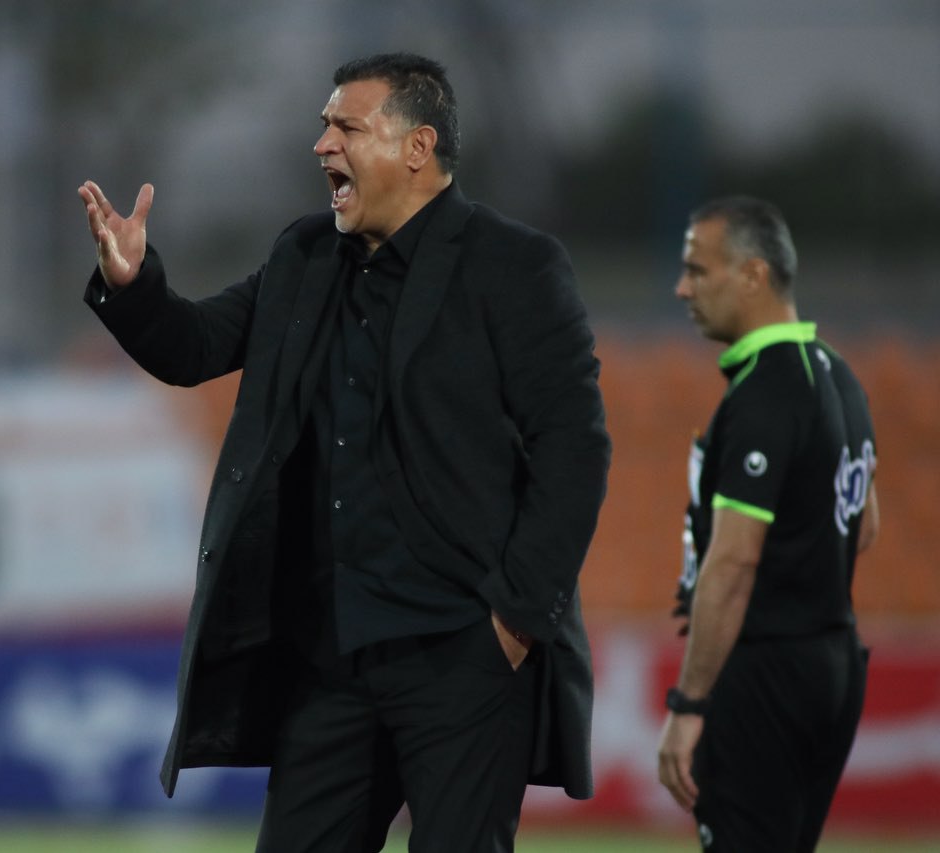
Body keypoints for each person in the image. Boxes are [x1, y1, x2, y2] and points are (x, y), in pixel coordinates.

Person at [80, 53, 610, 852]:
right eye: (323, 126)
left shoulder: (513, 265)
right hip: (329, 659)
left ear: (417, 146)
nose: (322, 144)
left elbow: (574, 448)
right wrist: (133, 285)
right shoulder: (305, 257)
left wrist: (513, 621)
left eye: (346, 128)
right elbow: (196, 346)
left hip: (462, 649)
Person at [657, 196, 880, 851]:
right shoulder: (839, 373)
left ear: (752, 275)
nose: (682, 288)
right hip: (835, 663)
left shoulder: (765, 392)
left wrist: (689, 705)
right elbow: (864, 524)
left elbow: (734, 561)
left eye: (697, 270)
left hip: (765, 673)